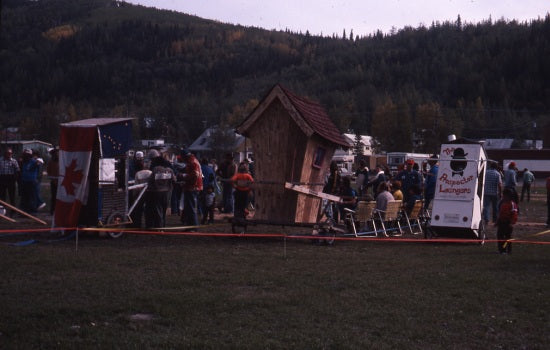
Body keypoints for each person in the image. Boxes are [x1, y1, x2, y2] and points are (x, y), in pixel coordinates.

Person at [144, 149, 175, 228]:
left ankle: (158, 226)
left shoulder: (155, 169)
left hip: (157, 192)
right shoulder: (169, 169)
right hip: (167, 192)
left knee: (158, 210)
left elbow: (150, 180)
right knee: (164, 209)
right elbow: (174, 179)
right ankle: (163, 226)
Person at [178, 149, 203, 228]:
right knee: (189, 207)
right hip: (192, 186)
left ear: (185, 156)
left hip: (192, 188)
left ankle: (193, 226)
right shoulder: (193, 161)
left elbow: (195, 175)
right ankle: (190, 226)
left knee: (191, 207)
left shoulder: (192, 162)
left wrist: (184, 176)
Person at [19, 148, 43, 214]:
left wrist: (38, 162)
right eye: (24, 155)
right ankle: (24, 211)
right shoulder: (23, 162)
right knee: (24, 197)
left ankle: (33, 211)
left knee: (32, 197)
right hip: (24, 181)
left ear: (30, 155)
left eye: (27, 155)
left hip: (32, 182)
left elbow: (40, 163)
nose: (25, 156)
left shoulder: (34, 161)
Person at [496, 187, 518, 254]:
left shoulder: (512, 204)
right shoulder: (502, 203)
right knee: (499, 236)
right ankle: (501, 250)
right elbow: (500, 213)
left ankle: (508, 250)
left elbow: (514, 214)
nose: (504, 197)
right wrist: (497, 222)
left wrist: (511, 223)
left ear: (509, 196)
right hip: (502, 223)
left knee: (507, 237)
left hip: (508, 223)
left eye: (505, 195)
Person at [130, 164, 152, 228]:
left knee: (138, 210)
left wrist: (134, 195)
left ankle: (138, 224)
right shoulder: (151, 173)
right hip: (149, 193)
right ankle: (149, 225)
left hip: (140, 194)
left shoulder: (138, 173)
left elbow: (136, 185)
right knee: (148, 210)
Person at [0, 148, 20, 216]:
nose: (9, 155)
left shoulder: (14, 161)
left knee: (12, 196)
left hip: (11, 179)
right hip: (2, 178)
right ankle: (2, 211)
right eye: (7, 153)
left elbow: (17, 170)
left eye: (10, 153)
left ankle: (13, 211)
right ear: (4, 154)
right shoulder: (0, 160)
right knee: (2, 196)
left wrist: (15, 178)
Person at [46, 148, 59, 215]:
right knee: (54, 196)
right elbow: (48, 171)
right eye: (54, 154)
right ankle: (52, 210)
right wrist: (52, 178)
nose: (56, 155)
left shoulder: (61, 161)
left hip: (60, 182)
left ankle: (59, 210)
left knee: (60, 196)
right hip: (53, 182)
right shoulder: (50, 162)